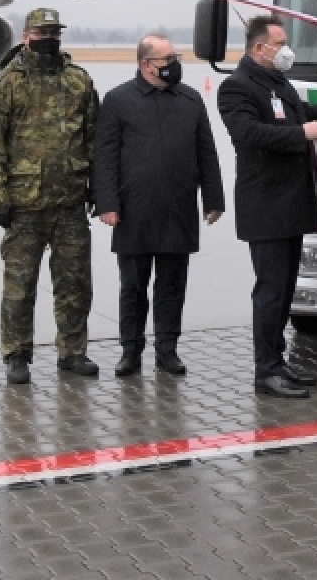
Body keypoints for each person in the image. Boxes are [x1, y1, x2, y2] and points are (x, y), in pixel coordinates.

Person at [217, 15, 317, 398]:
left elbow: (306, 115)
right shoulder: (236, 87)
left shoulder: (277, 81)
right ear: (259, 48)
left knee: (285, 288)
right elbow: (249, 134)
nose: (287, 50)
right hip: (265, 204)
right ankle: (265, 370)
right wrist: (300, 135)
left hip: (291, 204)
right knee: (270, 289)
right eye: (280, 43)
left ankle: (278, 361)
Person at [92, 33, 225, 378]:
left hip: (178, 210)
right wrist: (106, 203)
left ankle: (167, 350)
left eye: (175, 57)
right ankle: (130, 351)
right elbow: (104, 158)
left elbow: (206, 153)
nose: (175, 65)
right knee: (133, 287)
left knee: (171, 286)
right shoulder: (119, 100)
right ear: (146, 65)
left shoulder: (191, 100)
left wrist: (213, 199)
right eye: (168, 59)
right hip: (133, 211)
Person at [0, 8, 101, 385]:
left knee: (75, 285)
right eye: (42, 32)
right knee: (19, 287)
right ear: (26, 35)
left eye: (54, 32)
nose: (49, 38)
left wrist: (97, 187)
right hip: (24, 205)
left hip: (69, 203)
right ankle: (17, 353)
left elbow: (94, 140)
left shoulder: (78, 81)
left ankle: (72, 351)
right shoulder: (8, 83)